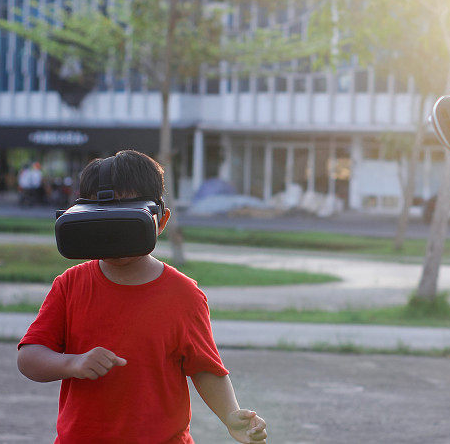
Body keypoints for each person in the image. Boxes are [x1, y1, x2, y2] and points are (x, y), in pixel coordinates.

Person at [17, 150, 267, 444]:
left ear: (160, 222)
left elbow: (205, 368)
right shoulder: (70, 285)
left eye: (126, 226)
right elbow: (29, 357)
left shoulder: (183, 294)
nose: (114, 242)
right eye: (102, 226)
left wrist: (230, 415)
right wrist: (72, 363)